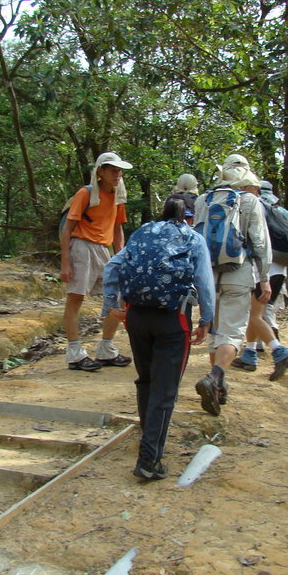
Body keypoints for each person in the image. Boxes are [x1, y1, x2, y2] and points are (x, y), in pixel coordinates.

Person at [101, 195, 216, 480]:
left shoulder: (142, 232)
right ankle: (149, 460)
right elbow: (204, 282)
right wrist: (206, 319)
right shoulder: (193, 238)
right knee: (165, 390)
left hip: (136, 317)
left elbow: (112, 265)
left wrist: (111, 303)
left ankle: (147, 437)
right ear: (190, 217)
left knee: (146, 380)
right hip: (173, 319)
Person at [192, 154, 272, 415]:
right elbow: (260, 243)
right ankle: (215, 377)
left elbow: (196, 238)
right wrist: (264, 278)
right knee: (233, 332)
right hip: (239, 273)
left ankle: (219, 386)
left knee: (215, 332)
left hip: (208, 276)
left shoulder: (203, 199)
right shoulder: (249, 201)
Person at [60, 152, 134, 371]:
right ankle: (75, 353)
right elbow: (67, 229)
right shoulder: (86, 193)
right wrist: (65, 263)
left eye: (119, 171)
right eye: (113, 170)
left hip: (104, 249)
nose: (117, 175)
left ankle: (106, 349)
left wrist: (121, 258)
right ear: (100, 172)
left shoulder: (118, 197)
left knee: (117, 297)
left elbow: (117, 228)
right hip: (81, 247)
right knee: (76, 299)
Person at [231, 180, 288, 380]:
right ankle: (250, 354)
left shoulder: (252, 207)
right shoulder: (277, 210)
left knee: (254, 315)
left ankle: (280, 352)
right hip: (280, 270)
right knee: (256, 313)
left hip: (262, 270)